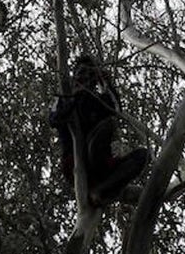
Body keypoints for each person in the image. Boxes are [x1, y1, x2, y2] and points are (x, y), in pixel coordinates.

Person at [50, 56, 149, 207]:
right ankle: (102, 191)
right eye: (82, 72)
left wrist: (106, 82)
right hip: (75, 162)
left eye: (90, 75)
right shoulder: (63, 98)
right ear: (74, 75)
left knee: (142, 155)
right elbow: (54, 120)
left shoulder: (97, 101)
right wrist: (71, 102)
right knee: (105, 126)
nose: (85, 77)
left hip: (99, 163)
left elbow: (115, 108)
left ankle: (100, 191)